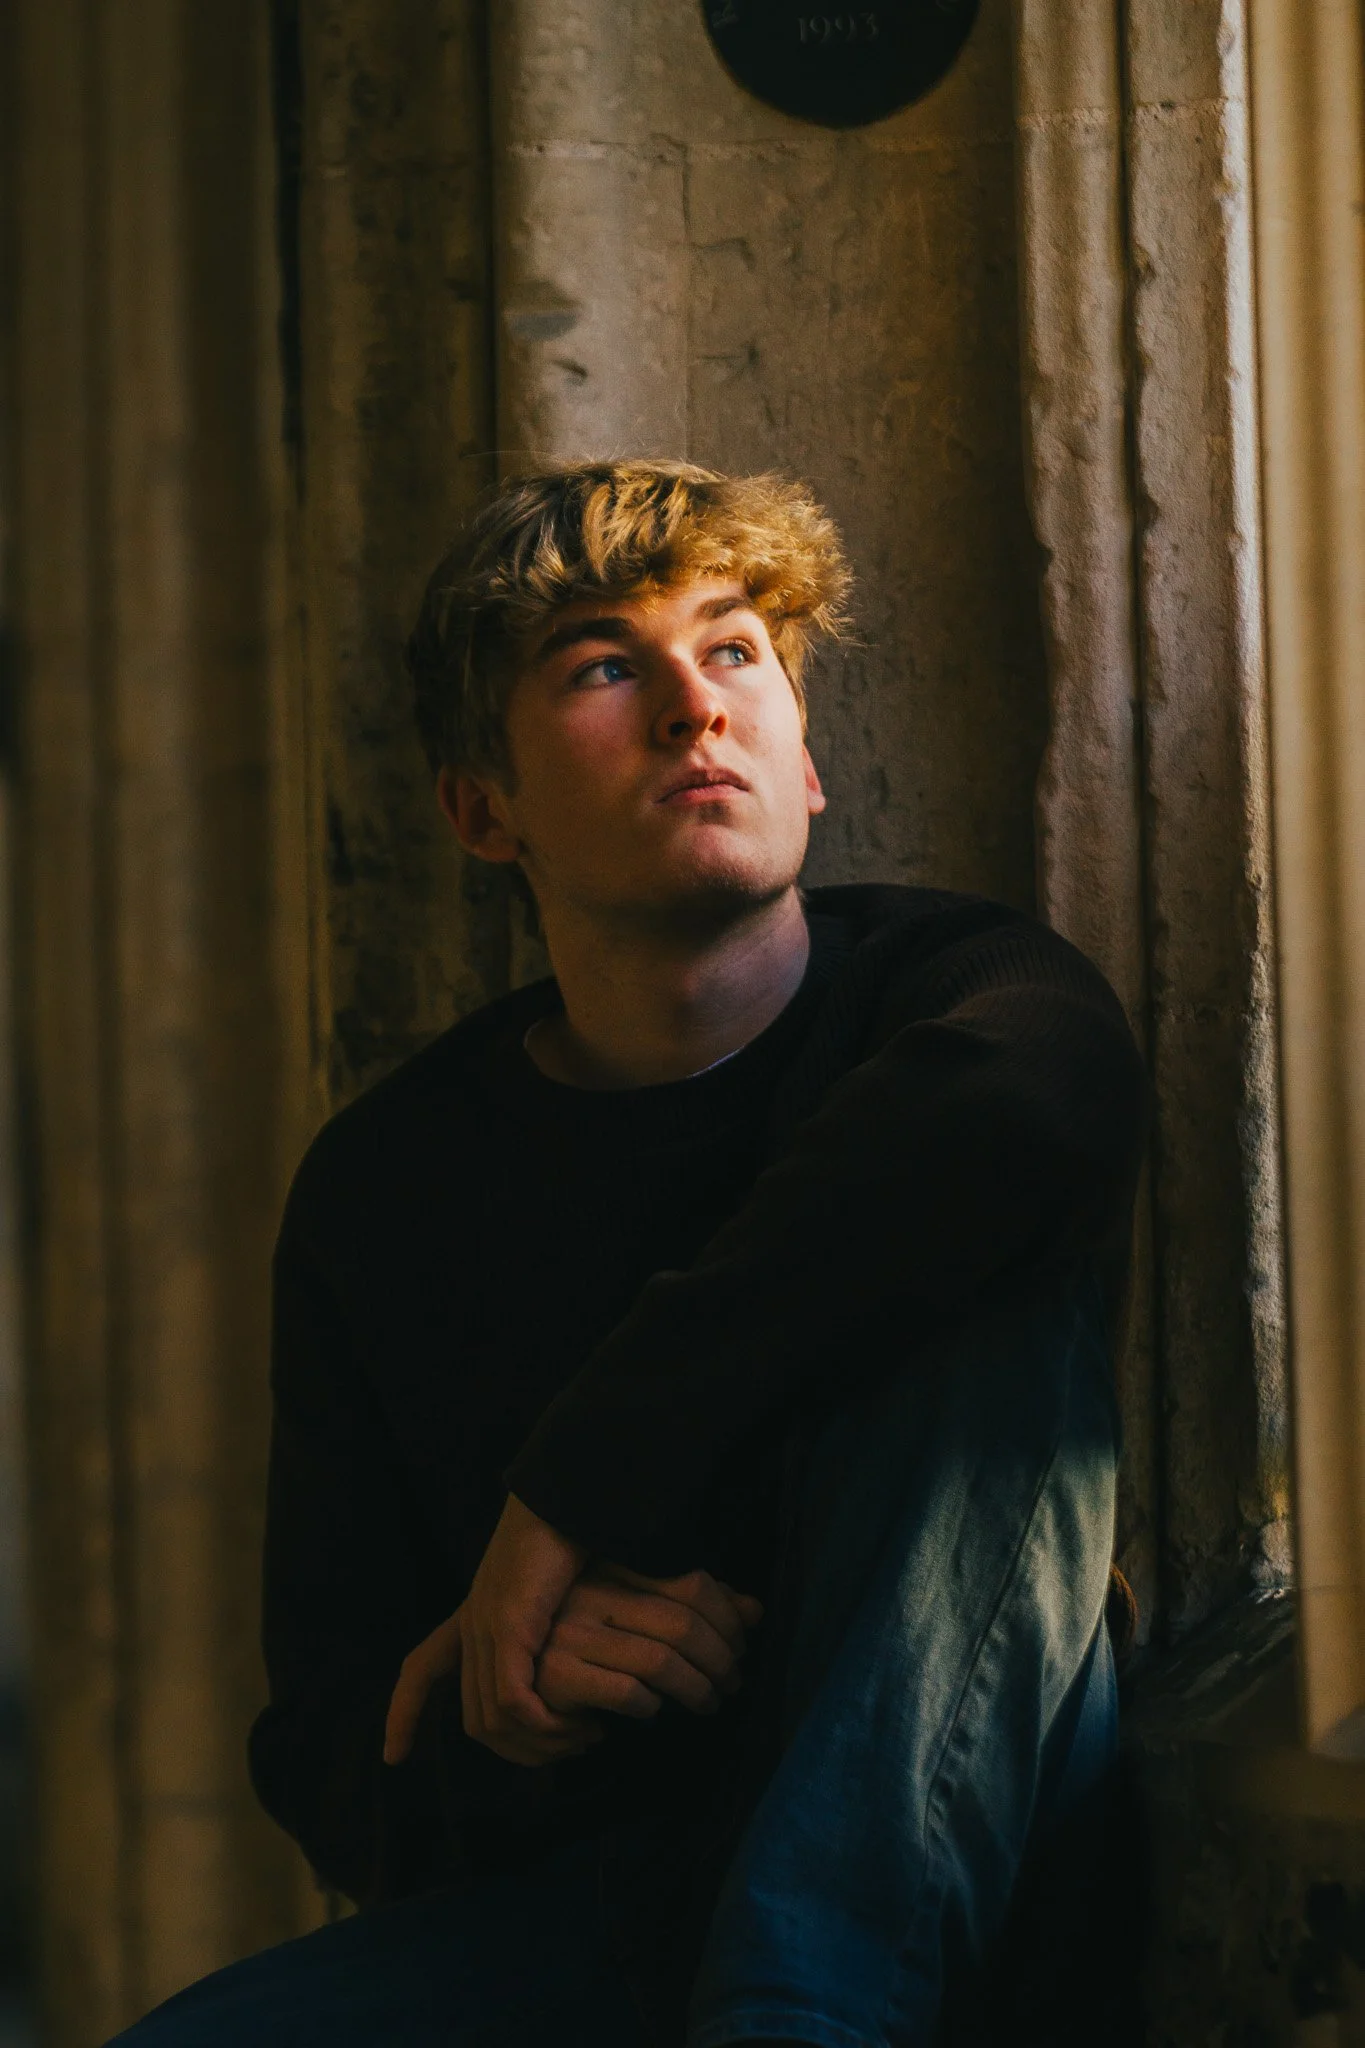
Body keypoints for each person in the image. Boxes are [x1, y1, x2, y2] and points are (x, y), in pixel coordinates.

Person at [108, 460, 1149, 2048]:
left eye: (734, 651)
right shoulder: (387, 1191)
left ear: (806, 765)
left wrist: (568, 1499)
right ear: (482, 811)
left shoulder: (964, 1009)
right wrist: (514, 1712)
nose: (694, 706)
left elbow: (1033, 1120)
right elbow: (329, 1752)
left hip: (960, 1861)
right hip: (600, 1907)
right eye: (605, 666)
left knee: (968, 1260)